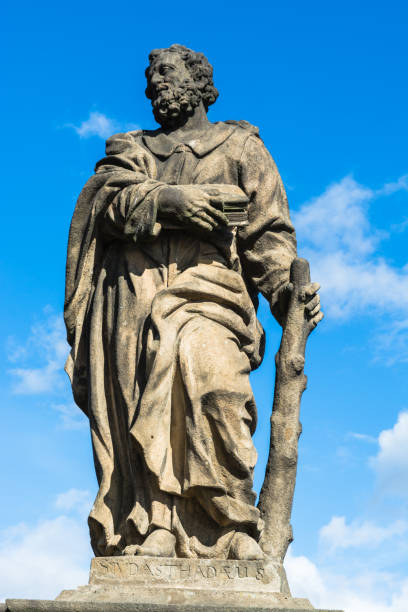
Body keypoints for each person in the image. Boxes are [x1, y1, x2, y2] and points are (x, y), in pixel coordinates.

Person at [64, 44, 322, 560]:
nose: (154, 83)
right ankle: (153, 521)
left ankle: (230, 523)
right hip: (134, 295)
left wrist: (285, 293)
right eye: (150, 75)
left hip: (212, 292)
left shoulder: (240, 147)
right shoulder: (132, 148)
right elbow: (102, 204)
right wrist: (170, 201)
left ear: (199, 80)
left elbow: (267, 235)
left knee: (215, 384)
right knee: (140, 403)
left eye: (167, 71)